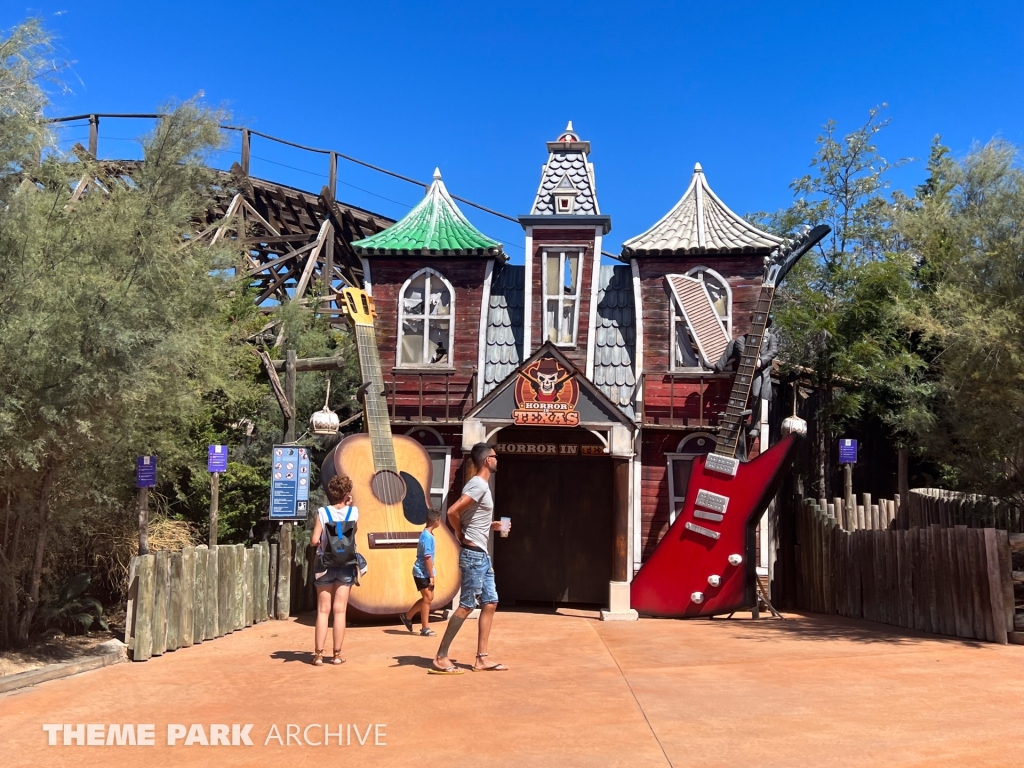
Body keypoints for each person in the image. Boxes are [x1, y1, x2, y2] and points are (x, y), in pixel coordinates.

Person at [431, 443, 508, 674]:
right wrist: (459, 532)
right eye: (495, 456)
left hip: (481, 556)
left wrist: (491, 525)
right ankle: (440, 656)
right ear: (487, 461)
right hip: (473, 555)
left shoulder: (482, 486)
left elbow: (471, 517)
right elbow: (453, 511)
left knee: (490, 602)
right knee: (466, 605)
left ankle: (481, 658)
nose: (497, 459)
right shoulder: (478, 485)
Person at [309, 474, 358, 666]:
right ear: (347, 493)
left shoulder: (322, 512)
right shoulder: (353, 513)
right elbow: (354, 534)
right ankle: (336, 655)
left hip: (324, 563)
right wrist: (350, 504)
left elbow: (314, 540)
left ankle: (318, 655)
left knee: (323, 611)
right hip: (345, 564)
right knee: (340, 611)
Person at [400, 508, 442, 636]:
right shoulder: (427, 537)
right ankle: (425, 628)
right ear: (436, 521)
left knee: (428, 598)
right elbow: (427, 558)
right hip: (422, 572)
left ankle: (407, 616)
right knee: (428, 598)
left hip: (423, 571)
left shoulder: (427, 535)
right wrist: (431, 576)